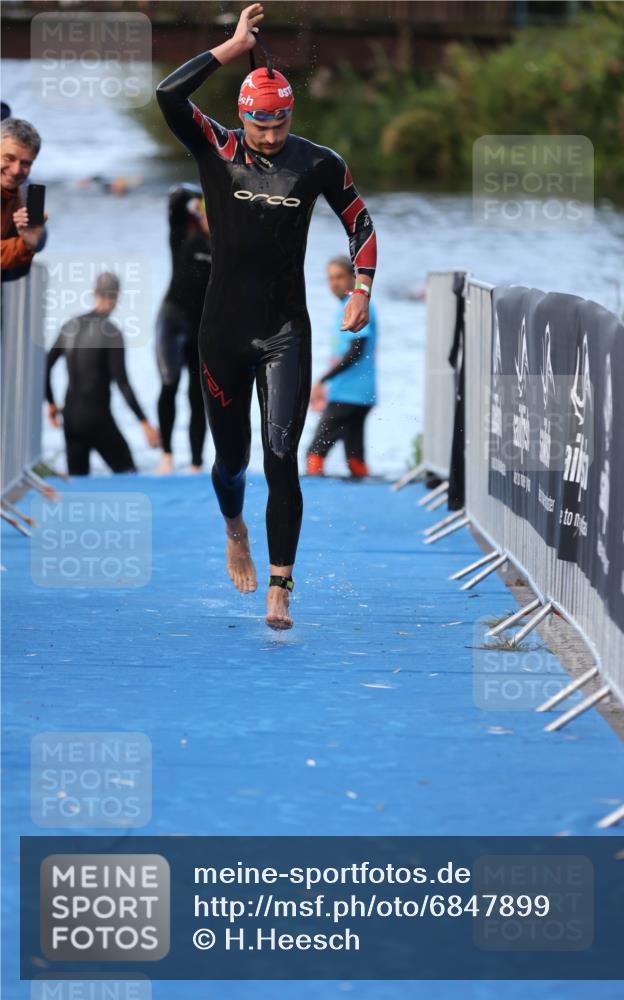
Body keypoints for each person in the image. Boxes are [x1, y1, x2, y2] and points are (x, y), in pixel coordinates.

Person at [156, 2, 377, 629]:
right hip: (222, 333)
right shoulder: (216, 146)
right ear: (242, 115)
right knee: (231, 462)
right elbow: (168, 95)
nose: (272, 136)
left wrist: (362, 288)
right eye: (260, 124)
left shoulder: (317, 162)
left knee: (281, 453)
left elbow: (360, 223)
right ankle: (235, 530)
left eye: (280, 123)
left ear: (290, 116)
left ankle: (282, 585)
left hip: (285, 332)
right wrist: (230, 49)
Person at [45, 272, 160, 475]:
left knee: (78, 482)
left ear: (93, 293)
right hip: (98, 418)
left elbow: (45, 366)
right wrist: (144, 422)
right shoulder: (111, 333)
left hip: (71, 418)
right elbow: (122, 383)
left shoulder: (70, 326)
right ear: (118, 296)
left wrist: (51, 403)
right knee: (128, 474)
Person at [155, 185, 211, 474]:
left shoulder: (226, 248)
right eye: (207, 213)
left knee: (198, 395)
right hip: (173, 319)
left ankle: (196, 463)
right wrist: (202, 193)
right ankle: (166, 455)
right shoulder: (182, 236)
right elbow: (176, 197)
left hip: (202, 325)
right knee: (170, 383)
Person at [307, 256, 378, 478]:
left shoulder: (355, 305)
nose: (334, 283)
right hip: (361, 394)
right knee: (354, 455)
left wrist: (322, 380)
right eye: (330, 278)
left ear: (354, 278)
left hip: (348, 393)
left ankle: (311, 492)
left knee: (315, 451)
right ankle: (363, 482)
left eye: (339, 277)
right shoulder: (347, 306)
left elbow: (356, 350)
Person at [1, 117, 48, 283]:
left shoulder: (22, 193)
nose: (16, 170)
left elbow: (14, 272)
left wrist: (32, 242)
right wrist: (24, 246)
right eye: (9, 158)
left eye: (26, 164)